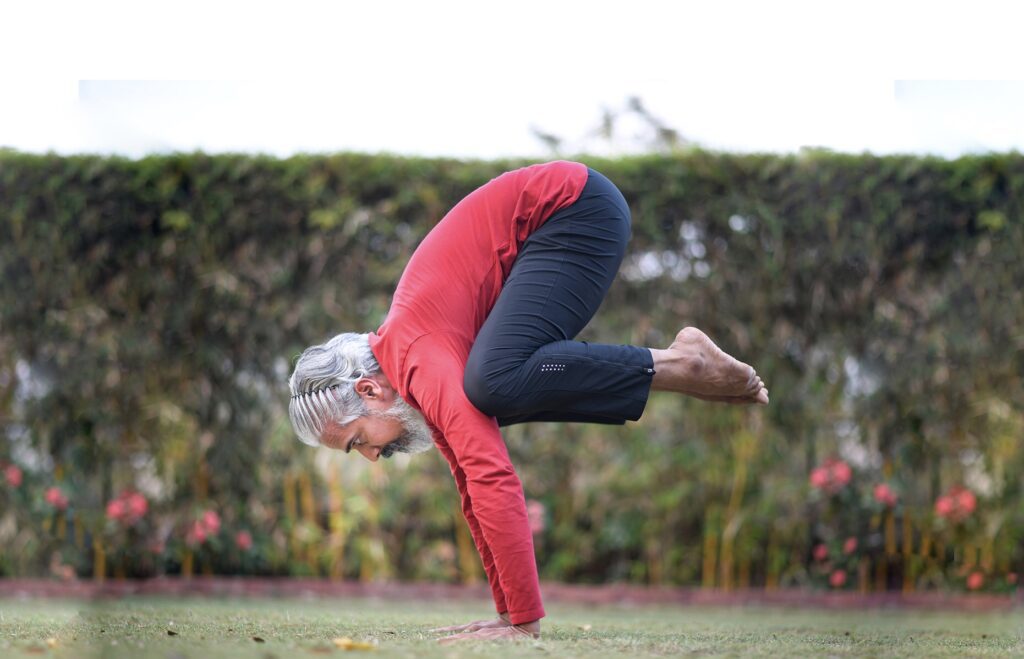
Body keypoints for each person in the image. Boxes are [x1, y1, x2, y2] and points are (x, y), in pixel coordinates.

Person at [288, 161, 768, 643]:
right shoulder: (414, 363)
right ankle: (681, 365)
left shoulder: (419, 359)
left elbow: (490, 474)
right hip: (563, 218)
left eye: (357, 441)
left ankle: (683, 363)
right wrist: (506, 613)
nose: (372, 456)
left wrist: (523, 622)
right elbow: (469, 486)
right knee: (490, 391)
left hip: (575, 209)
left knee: (492, 384)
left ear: (369, 390)